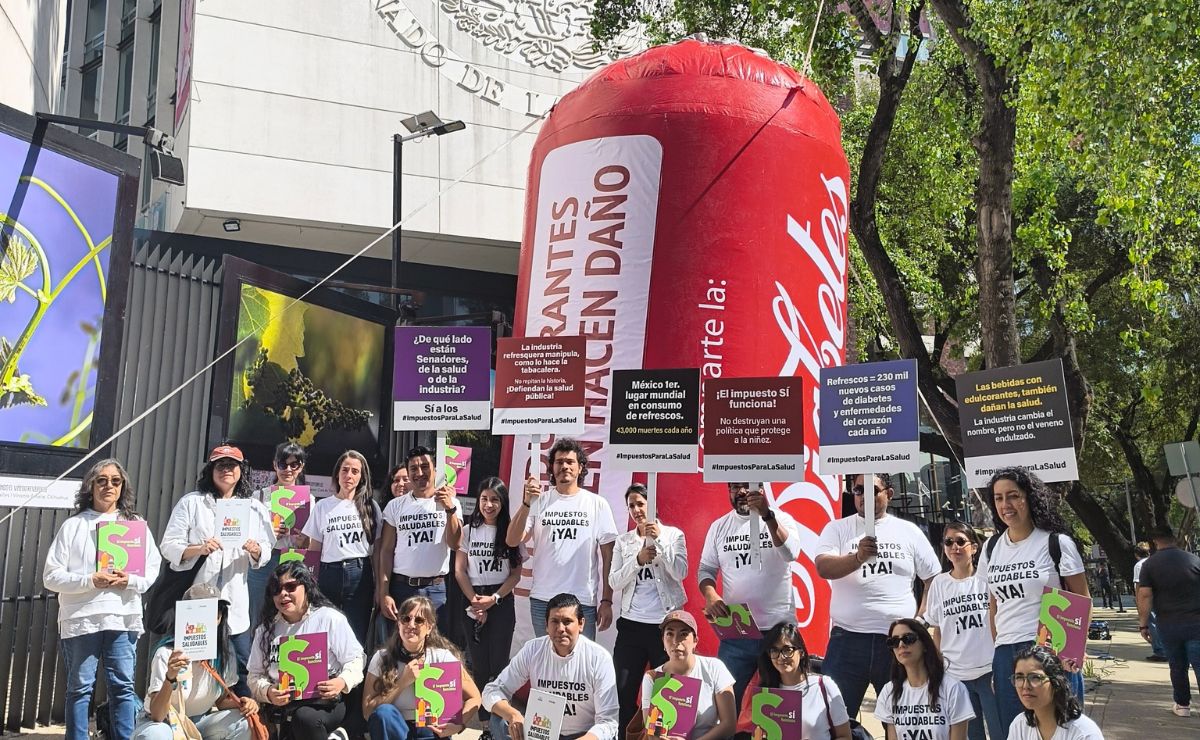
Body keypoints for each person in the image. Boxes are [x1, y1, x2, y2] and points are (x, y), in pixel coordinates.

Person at [43, 459, 164, 740]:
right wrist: (89, 580)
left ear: (123, 488)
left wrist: (130, 580)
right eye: (102, 480)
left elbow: (152, 568)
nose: (109, 485)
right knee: (79, 688)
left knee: (123, 686)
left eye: (115, 481)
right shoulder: (73, 526)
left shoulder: (135, 526)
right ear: (90, 486)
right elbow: (50, 576)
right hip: (81, 620)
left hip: (122, 617)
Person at [815, 474, 940, 719]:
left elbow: (933, 579)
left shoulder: (909, 532)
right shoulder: (838, 528)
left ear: (889, 494)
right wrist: (857, 558)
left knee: (904, 720)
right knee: (834, 720)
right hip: (847, 641)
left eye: (872, 490)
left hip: (897, 643)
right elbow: (823, 567)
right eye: (858, 490)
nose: (864, 496)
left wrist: (922, 619)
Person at [978, 467, 1089, 729]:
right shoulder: (991, 548)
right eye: (998, 498)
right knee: (1016, 729)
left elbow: (1081, 598)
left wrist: (1071, 653)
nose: (1006, 505)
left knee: (1060, 728)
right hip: (1007, 654)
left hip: (1050, 649)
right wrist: (998, 657)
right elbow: (994, 606)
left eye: (1013, 496)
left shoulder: (1056, 543)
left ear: (1029, 497)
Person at [161, 444, 275, 693]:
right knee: (190, 671)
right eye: (220, 465)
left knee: (241, 671)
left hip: (235, 605)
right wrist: (197, 549)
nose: (226, 470)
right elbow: (168, 546)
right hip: (198, 603)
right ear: (210, 470)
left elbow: (267, 547)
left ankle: (242, 727)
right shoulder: (192, 503)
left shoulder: (254, 508)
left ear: (241, 470)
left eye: (232, 465)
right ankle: (191, 721)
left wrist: (255, 550)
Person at [698, 482, 801, 709]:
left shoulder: (781, 519)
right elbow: (706, 569)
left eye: (747, 485)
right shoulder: (719, 526)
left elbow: (791, 553)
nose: (742, 492)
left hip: (779, 633)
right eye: (735, 487)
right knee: (723, 707)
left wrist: (767, 516)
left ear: (761, 489)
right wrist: (711, 594)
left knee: (781, 711)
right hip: (737, 631)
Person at [507, 438, 619, 640]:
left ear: (580, 467)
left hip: (582, 600)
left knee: (580, 665)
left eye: (570, 461)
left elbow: (608, 556)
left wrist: (607, 600)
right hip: (543, 599)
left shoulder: (597, 504)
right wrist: (526, 503)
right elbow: (513, 540)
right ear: (552, 467)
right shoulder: (539, 502)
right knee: (547, 662)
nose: (564, 466)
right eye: (559, 462)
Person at [248, 562, 366, 740]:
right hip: (281, 707)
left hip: (325, 705)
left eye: (290, 586)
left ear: (306, 587)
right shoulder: (265, 630)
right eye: (276, 589)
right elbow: (254, 676)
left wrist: (342, 682)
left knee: (305, 718)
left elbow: (357, 659)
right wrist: (268, 692)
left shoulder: (329, 618)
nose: (283, 594)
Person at [482, 592, 620, 740]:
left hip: (584, 735)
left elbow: (608, 721)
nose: (560, 629)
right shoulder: (533, 650)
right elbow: (492, 690)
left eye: (567, 621)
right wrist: (513, 715)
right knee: (499, 719)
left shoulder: (598, 658)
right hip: (541, 733)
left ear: (581, 624)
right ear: (546, 625)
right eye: (555, 621)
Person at [132, 583, 259, 739]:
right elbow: (157, 715)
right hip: (164, 723)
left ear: (220, 616)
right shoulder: (166, 653)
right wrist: (170, 677)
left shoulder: (225, 653)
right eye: (202, 610)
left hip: (199, 722)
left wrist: (244, 702)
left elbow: (219, 701)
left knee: (243, 723)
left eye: (215, 610)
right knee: (156, 734)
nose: (210, 616)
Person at [609, 482, 689, 730]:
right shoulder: (623, 542)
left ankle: (662, 735)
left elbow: (680, 572)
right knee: (622, 692)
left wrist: (659, 543)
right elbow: (614, 581)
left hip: (665, 627)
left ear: (650, 504)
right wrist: (637, 560)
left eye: (640, 503)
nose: (636, 509)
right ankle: (632, 734)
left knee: (666, 694)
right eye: (631, 505)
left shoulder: (674, 535)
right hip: (631, 626)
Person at [921, 522, 1001, 740]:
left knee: (1000, 732)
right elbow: (938, 629)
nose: (954, 547)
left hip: (989, 671)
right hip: (956, 675)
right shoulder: (939, 583)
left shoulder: (986, 580)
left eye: (960, 541)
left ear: (973, 547)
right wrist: (936, 670)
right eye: (949, 542)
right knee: (969, 735)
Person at [452, 477, 521, 728]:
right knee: (479, 665)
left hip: (500, 599)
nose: (489, 504)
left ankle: (500, 723)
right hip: (472, 598)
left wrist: (494, 599)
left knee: (500, 664)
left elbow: (515, 573)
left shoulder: (511, 532)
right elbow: (459, 570)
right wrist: (475, 600)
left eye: (495, 499)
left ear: (502, 502)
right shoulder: (468, 530)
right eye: (484, 499)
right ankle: (485, 725)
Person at [362, 596, 482, 739]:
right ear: (398, 624)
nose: (411, 625)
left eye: (419, 620)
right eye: (405, 619)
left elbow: (474, 697)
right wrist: (402, 683)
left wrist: (459, 723)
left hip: (431, 729)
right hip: (396, 729)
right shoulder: (382, 658)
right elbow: (368, 711)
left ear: (429, 627)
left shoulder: (442, 658)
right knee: (384, 713)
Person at [378, 446, 463, 634]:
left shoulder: (451, 503)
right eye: (413, 469)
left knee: (434, 649)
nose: (419, 473)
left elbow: (455, 543)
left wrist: (450, 509)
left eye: (425, 467)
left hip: (436, 590)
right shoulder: (395, 506)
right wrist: (384, 593)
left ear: (435, 470)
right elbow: (385, 551)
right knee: (401, 646)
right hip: (401, 589)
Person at [301, 450, 381, 645]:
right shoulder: (322, 506)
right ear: (337, 473)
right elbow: (314, 550)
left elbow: (378, 552)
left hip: (360, 574)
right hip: (328, 574)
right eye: (345, 470)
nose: (349, 475)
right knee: (326, 631)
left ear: (362, 477)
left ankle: (355, 676)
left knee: (356, 633)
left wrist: (380, 585)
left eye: (355, 471)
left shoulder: (371, 507)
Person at [734, 623, 851, 740]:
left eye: (787, 650)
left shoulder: (823, 686)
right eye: (774, 651)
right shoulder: (764, 693)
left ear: (801, 652)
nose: (781, 657)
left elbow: (845, 736)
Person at [1135, 525, 1200, 718]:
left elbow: (1145, 595)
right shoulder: (1194, 560)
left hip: (1168, 624)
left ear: (1154, 542)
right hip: (1196, 622)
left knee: (1177, 666)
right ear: (1174, 539)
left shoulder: (1149, 565)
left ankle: (1182, 705)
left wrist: (1143, 623)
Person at [641, 610, 735, 739]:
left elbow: (729, 724)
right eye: (669, 634)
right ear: (663, 640)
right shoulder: (652, 677)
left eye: (683, 634)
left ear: (695, 640)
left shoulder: (714, 667)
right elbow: (652, 735)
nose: (676, 641)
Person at [873, 619, 974, 740]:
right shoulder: (889, 692)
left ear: (925, 644)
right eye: (894, 642)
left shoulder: (953, 689)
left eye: (908, 638)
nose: (901, 645)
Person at [250, 442, 309, 622]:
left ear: (301, 467)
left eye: (294, 465)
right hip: (263, 563)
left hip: (292, 560)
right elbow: (248, 536)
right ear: (275, 465)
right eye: (283, 464)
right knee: (257, 614)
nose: (288, 470)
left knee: (289, 616)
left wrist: (302, 542)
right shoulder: (258, 497)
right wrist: (269, 533)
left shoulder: (309, 500)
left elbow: (310, 542)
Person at [1005, 646, 1103, 739]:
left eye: (1035, 677)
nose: (1025, 686)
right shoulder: (1020, 726)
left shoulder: (1083, 733)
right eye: (1019, 678)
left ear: (1056, 683)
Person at [1132, 542, 1166, 661]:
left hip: (1148, 597)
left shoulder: (1139, 565)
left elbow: (1138, 585)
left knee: (1152, 623)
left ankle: (1160, 651)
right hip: (1161, 597)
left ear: (1137, 554)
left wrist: (1138, 601)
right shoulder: (1156, 562)